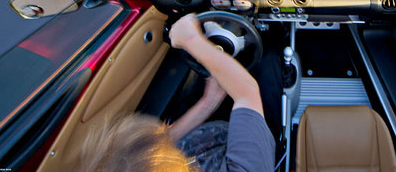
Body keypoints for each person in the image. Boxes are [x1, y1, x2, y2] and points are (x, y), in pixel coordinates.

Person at [77, 14, 276, 172]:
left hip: (208, 138)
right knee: (270, 62)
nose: (163, 132)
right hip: (244, 142)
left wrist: (209, 101)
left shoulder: (145, 164)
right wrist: (191, 39)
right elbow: (247, 92)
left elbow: (158, 144)